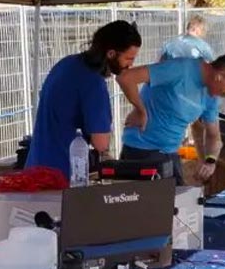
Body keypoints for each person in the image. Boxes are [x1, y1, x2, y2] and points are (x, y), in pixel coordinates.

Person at [26, 20, 142, 177]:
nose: (130, 65)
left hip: (35, 165)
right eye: (129, 59)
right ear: (111, 54)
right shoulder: (93, 83)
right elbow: (101, 143)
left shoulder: (66, 64)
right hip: (61, 174)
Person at [116, 52, 225, 185]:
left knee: (182, 204)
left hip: (169, 153)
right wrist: (140, 110)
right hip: (141, 150)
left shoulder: (211, 96)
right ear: (219, 76)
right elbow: (126, 78)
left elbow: (214, 137)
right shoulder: (181, 69)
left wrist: (210, 161)